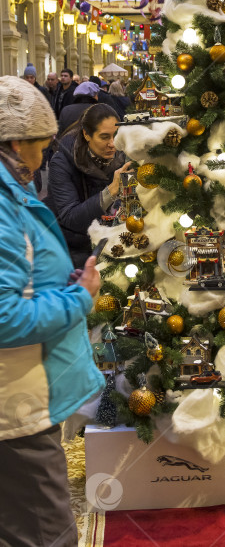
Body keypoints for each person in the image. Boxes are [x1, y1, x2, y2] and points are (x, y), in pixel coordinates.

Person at [0, 75, 103, 547]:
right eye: (40, 147)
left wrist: (59, 282)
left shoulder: (12, 192)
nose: (43, 158)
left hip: (24, 394)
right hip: (15, 405)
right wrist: (79, 298)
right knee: (45, 532)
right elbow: (5, 316)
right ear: (16, 144)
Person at [47, 104, 129, 268]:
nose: (112, 144)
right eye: (104, 137)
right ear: (87, 134)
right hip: (73, 247)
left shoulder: (124, 156)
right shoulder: (62, 162)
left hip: (114, 242)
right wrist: (111, 192)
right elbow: (71, 217)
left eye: (115, 135)